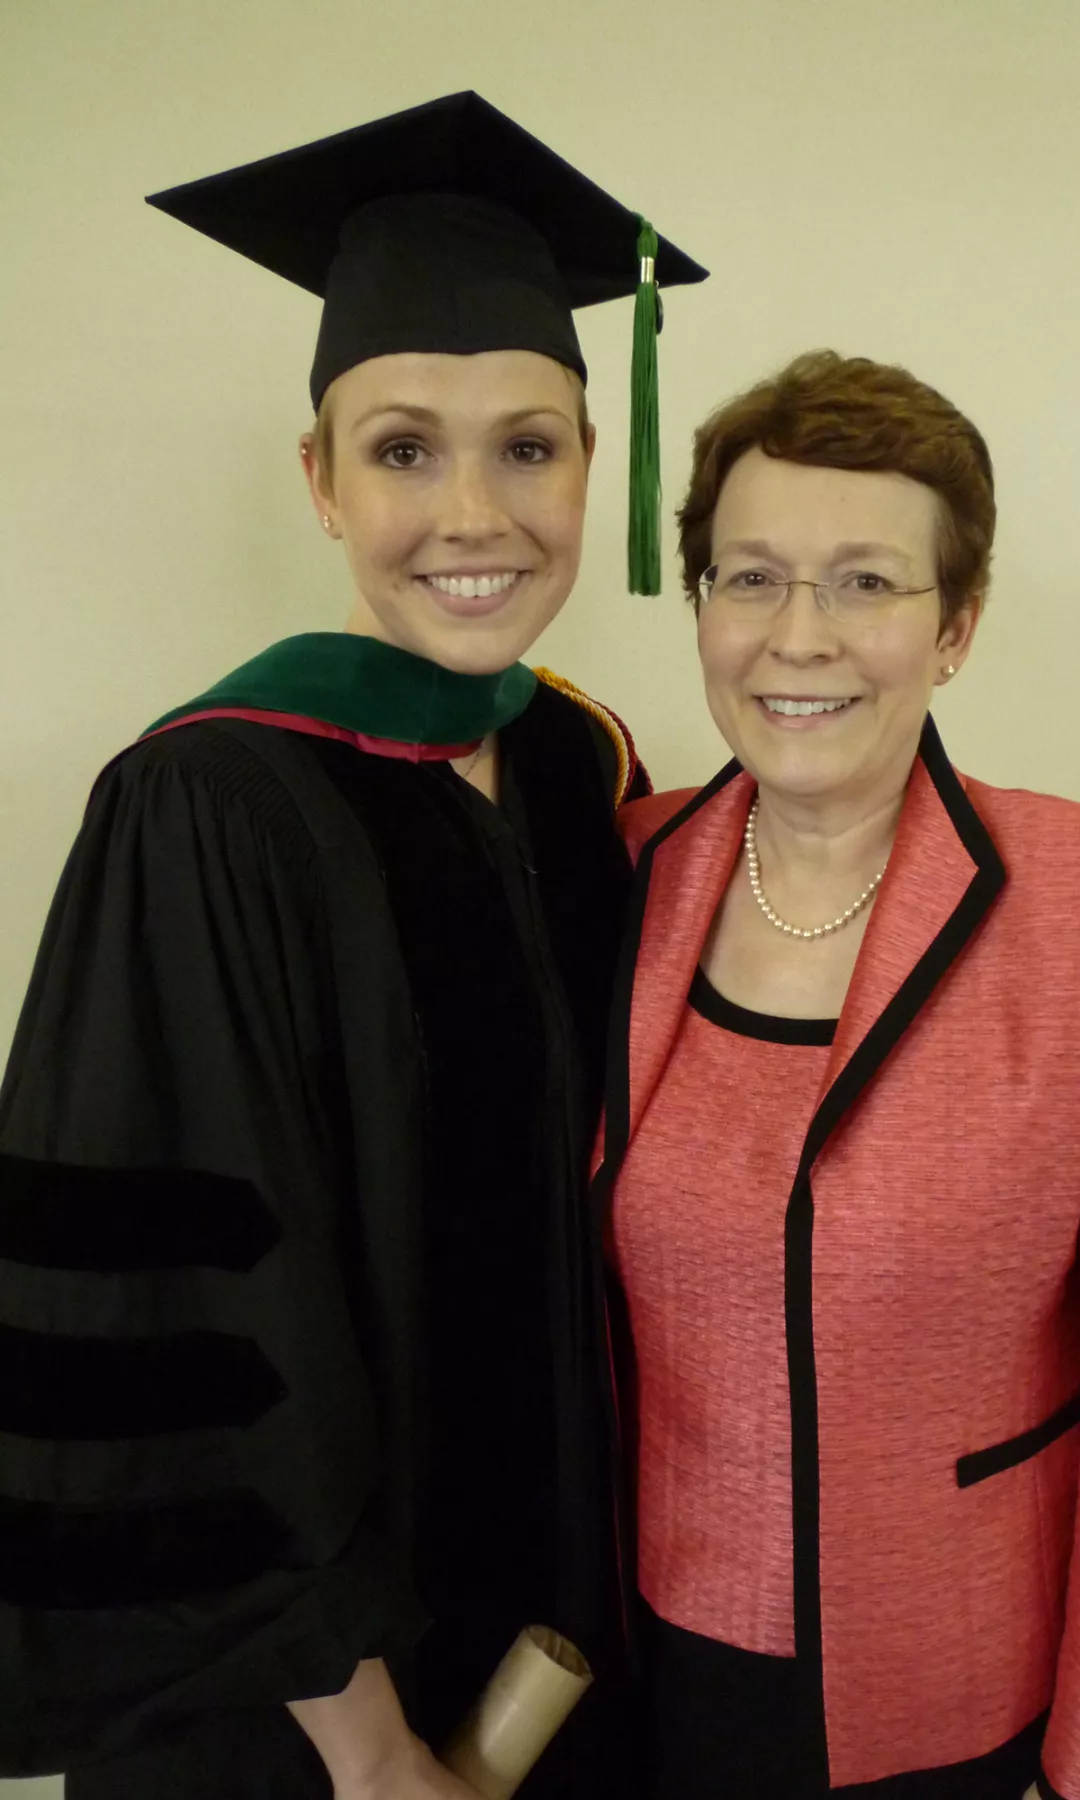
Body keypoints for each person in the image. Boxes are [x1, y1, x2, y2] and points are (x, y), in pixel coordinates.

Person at [0, 91, 705, 1800]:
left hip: (564, 1634)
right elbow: (179, 1318)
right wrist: (373, 1749)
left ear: (592, 465)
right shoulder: (209, 807)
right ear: (317, 481)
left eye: (528, 447)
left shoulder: (580, 768)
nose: (475, 512)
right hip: (315, 1721)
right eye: (401, 450)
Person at [594, 351, 1080, 1800]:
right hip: (639, 1682)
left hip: (953, 1695)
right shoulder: (618, 867)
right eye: (750, 578)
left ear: (956, 627)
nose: (797, 636)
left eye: (865, 583)